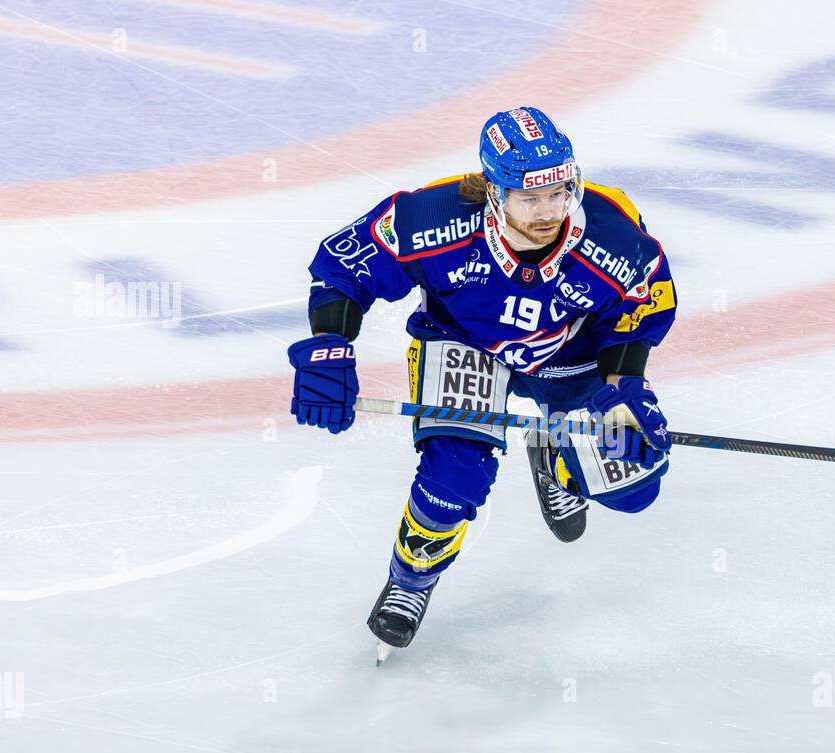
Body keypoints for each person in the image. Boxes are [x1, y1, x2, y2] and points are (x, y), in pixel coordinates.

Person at [288, 106, 678, 653]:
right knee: (453, 476)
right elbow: (343, 264)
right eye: (530, 197)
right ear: (495, 192)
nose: (549, 211)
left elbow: (642, 303)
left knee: (635, 486)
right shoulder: (435, 217)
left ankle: (555, 454)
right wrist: (330, 345)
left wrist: (624, 394)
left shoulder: (612, 232)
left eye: (560, 192)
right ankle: (410, 581)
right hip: (463, 341)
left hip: (571, 349)